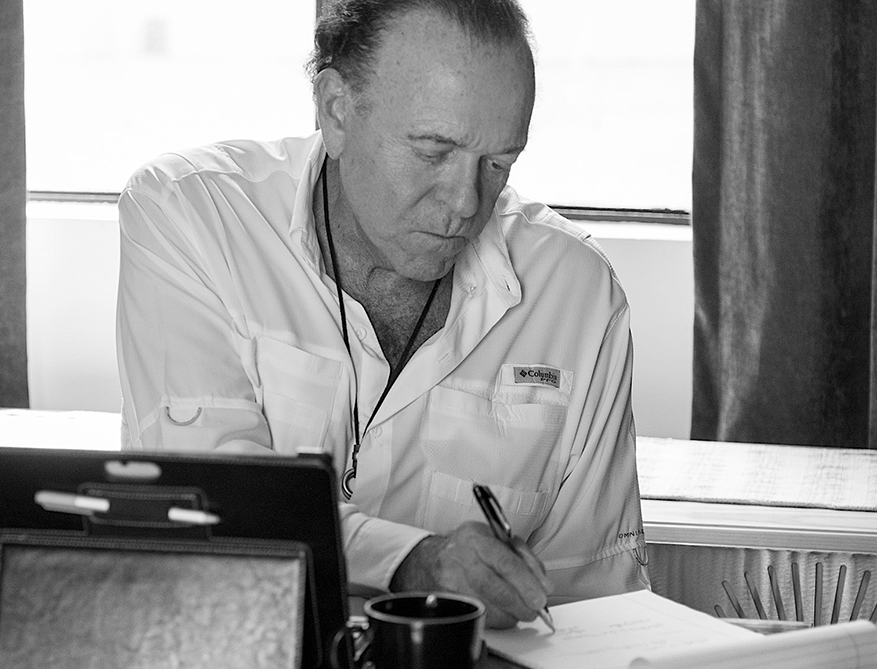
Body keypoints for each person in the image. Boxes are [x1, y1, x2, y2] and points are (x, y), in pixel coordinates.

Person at [116, 0, 650, 629]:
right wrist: (412, 562)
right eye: (433, 151)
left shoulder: (578, 294)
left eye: (499, 163)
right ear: (336, 110)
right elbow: (207, 507)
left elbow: (595, 606)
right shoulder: (189, 215)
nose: (465, 201)